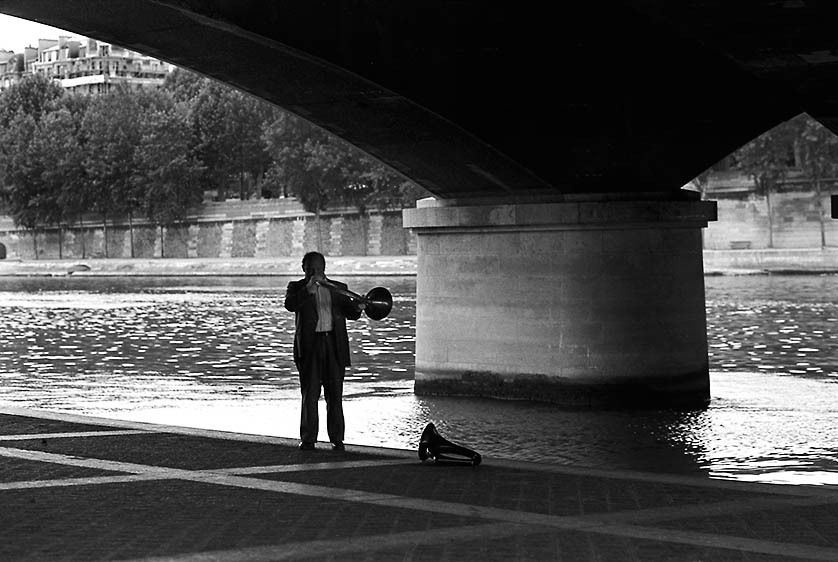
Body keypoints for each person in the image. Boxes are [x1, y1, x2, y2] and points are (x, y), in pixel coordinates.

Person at [284, 251, 364, 451]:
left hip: (334, 346)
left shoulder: (339, 288)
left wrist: (359, 307)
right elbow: (290, 305)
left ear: (324, 268)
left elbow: (352, 314)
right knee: (310, 394)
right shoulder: (296, 287)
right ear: (303, 269)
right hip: (310, 347)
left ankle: (337, 439)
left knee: (335, 395)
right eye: (310, 269)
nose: (314, 272)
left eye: (318, 268)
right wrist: (308, 290)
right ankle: (308, 439)